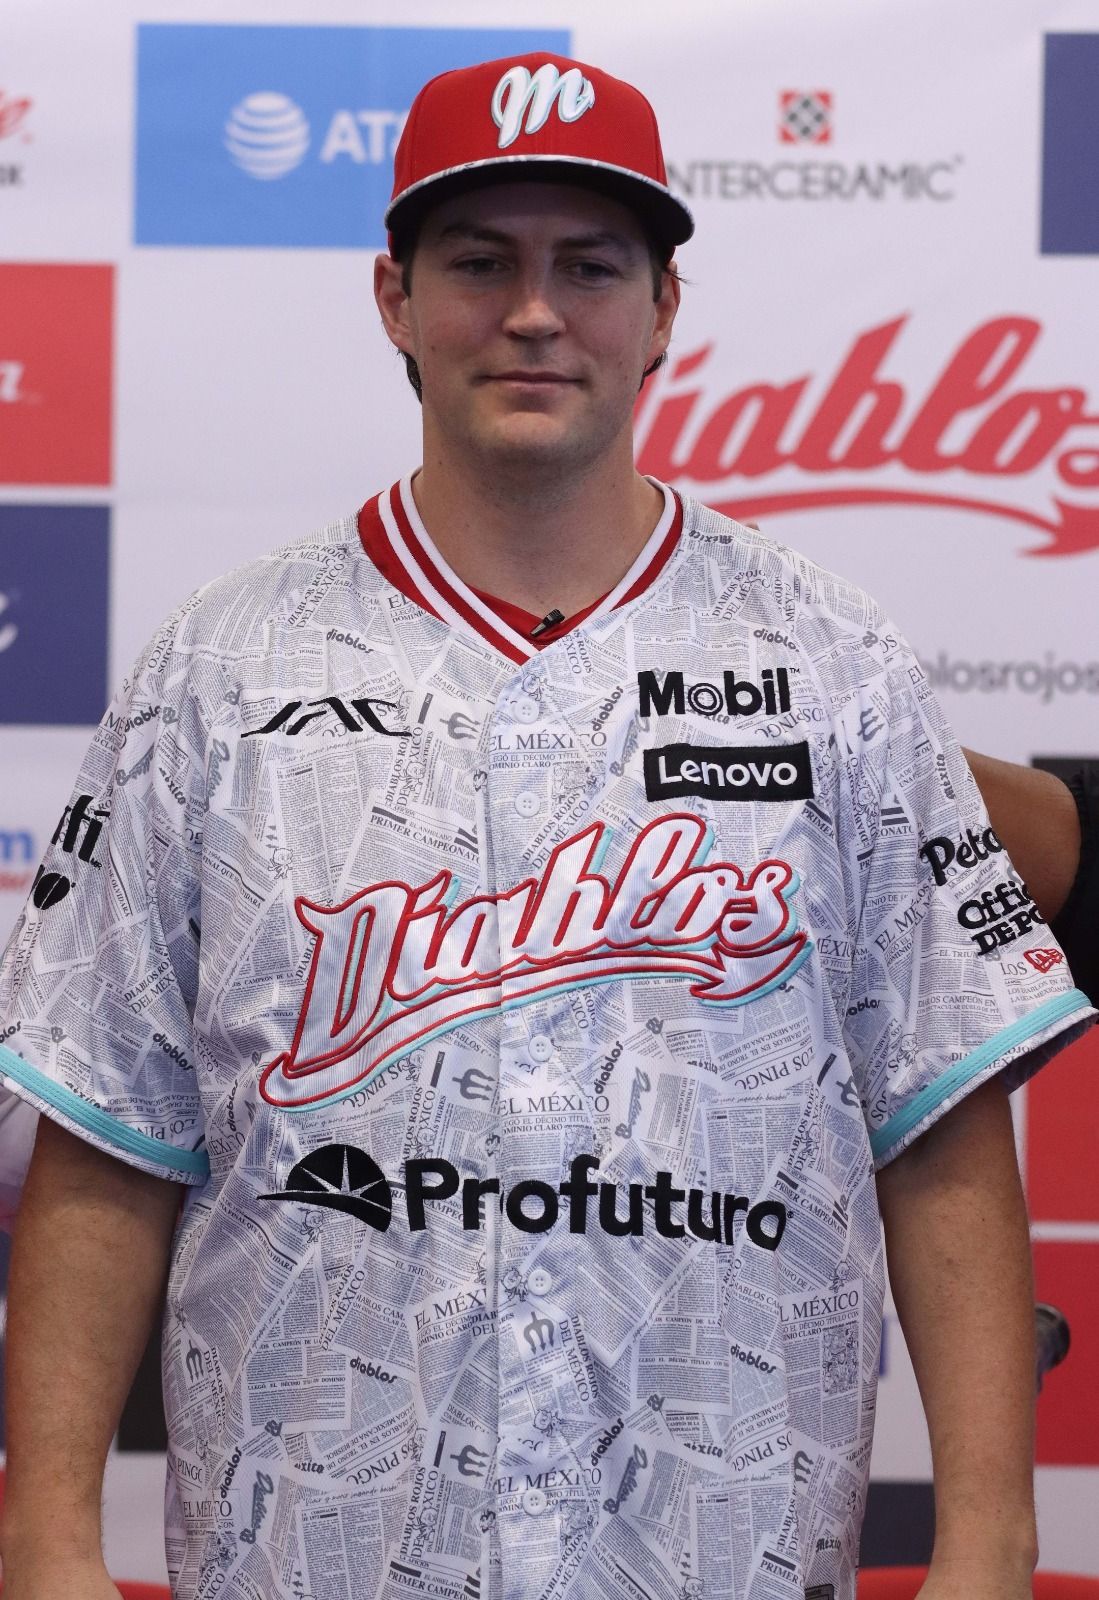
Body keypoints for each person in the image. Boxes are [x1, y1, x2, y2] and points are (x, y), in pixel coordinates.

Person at [0, 51, 1093, 1600]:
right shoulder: (217, 669)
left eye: (589, 266)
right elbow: (111, 1140)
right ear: (395, 299)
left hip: (721, 1556)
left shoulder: (834, 661)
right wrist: (44, 1536)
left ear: (664, 309)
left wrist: (989, 1540)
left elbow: (940, 1128)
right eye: (479, 263)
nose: (534, 313)